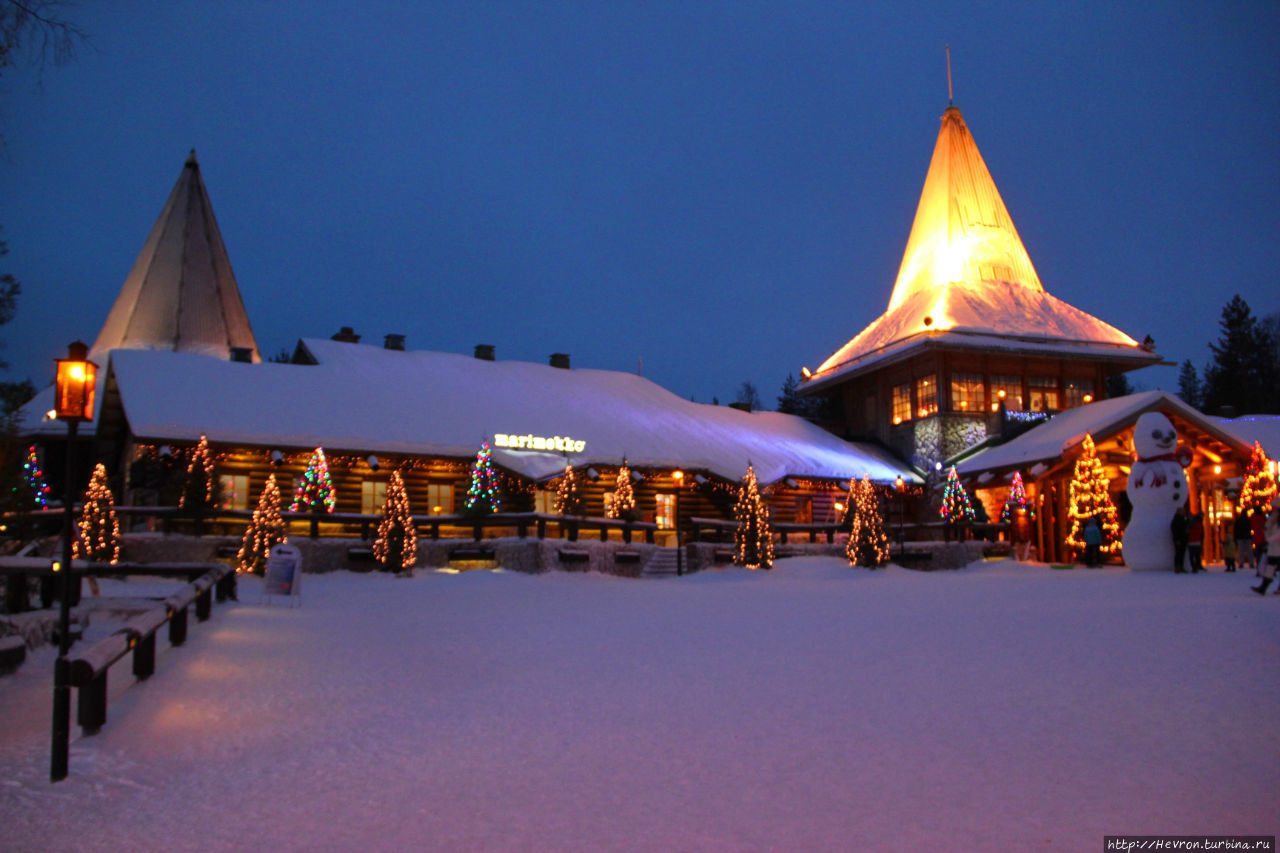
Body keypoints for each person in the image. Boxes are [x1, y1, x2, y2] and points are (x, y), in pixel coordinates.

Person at [1252, 498, 1280, 595]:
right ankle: (1264, 586)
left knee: (1271, 566)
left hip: (1276, 546)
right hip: (1274, 547)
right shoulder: (1274, 517)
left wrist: (1269, 539)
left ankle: (1264, 586)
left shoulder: (1276, 518)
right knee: (1270, 566)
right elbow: (1268, 527)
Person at [1171, 505, 1190, 573]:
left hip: (1183, 539)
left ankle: (1180, 566)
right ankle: (1178, 567)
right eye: (1182, 511)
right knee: (1179, 553)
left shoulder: (1183, 519)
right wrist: (1177, 539)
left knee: (1181, 553)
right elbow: (1175, 530)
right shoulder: (1177, 520)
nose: (1184, 512)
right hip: (1179, 539)